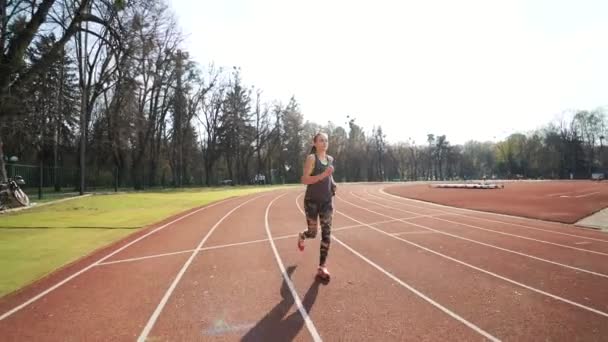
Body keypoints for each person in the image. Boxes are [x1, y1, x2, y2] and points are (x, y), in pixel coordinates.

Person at [297, 132, 337, 280]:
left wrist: (332, 183)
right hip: (312, 202)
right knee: (313, 233)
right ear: (315, 143)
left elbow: (330, 175)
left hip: (327, 202)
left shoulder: (330, 159)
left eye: (326, 140)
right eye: (321, 140)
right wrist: (323, 175)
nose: (324, 142)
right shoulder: (311, 158)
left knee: (327, 234)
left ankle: (322, 267)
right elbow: (304, 180)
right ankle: (302, 235)